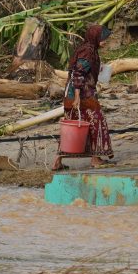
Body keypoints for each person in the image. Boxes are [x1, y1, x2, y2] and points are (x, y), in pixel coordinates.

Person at [52, 24, 113, 170]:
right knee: (96, 122)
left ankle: (58, 161)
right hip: (83, 95)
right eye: (103, 38)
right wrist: (77, 96)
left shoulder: (86, 49)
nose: (105, 41)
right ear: (95, 37)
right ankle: (95, 159)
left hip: (73, 94)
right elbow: (78, 73)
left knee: (71, 126)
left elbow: (80, 69)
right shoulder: (88, 51)